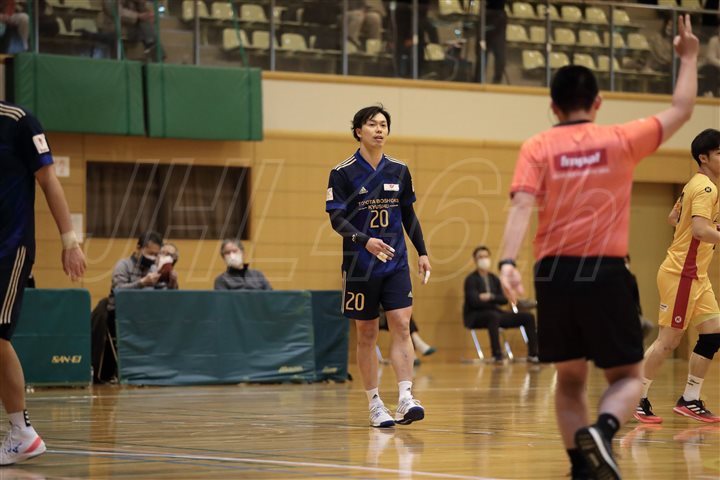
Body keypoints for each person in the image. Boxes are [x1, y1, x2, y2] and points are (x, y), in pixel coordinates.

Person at [497, 15, 698, 480]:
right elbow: (683, 109)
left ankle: (581, 469)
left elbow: (522, 205)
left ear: (553, 106)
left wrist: (507, 262)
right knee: (626, 376)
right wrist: (687, 57)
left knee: (569, 380)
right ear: (598, 102)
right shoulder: (619, 139)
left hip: (553, 273)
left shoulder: (537, 146)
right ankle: (603, 433)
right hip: (605, 271)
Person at [326, 105, 431, 428]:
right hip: (360, 265)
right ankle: (374, 403)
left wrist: (422, 251)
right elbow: (336, 219)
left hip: (395, 262)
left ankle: (406, 397)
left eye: (384, 124)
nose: (379, 129)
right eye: (372, 124)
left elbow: (409, 215)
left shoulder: (399, 170)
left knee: (401, 323)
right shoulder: (342, 172)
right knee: (367, 332)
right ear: (359, 131)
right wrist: (364, 240)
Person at [0, 100, 86, 465]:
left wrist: (70, 241)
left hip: (10, 247)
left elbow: (49, 179)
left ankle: (23, 433)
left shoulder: (18, 122)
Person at [634, 129, 720, 425]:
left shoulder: (694, 184)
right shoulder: (706, 188)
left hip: (697, 274)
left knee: (713, 333)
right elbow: (699, 230)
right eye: (719, 153)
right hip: (682, 273)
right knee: (668, 341)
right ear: (703, 158)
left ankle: (690, 399)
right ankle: (635, 397)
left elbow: (674, 218)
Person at [91, 231, 174, 384]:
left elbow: (162, 293)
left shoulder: (154, 269)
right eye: (150, 253)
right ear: (139, 248)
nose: (153, 258)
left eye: (156, 255)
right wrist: (141, 283)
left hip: (146, 317)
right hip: (120, 316)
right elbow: (118, 290)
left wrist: (169, 281)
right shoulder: (123, 265)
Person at [463, 246, 538, 363]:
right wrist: (492, 300)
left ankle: (534, 354)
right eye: (480, 257)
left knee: (528, 317)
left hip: (496, 313)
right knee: (493, 316)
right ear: (475, 260)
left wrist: (490, 297)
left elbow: (503, 300)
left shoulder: (494, 279)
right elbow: (474, 301)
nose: (484, 259)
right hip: (476, 316)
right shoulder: (471, 280)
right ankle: (497, 355)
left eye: (486, 256)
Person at [624, 254, 655, 339]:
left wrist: (639, 313)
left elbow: (636, 298)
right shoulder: (615, 279)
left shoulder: (632, 278)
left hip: (632, 313)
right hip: (620, 314)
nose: (626, 264)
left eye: (627, 262)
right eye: (623, 262)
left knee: (648, 325)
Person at [699, 24, 720, 96]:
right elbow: (710, 58)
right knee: (711, 69)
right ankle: (710, 93)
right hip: (709, 67)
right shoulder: (714, 40)